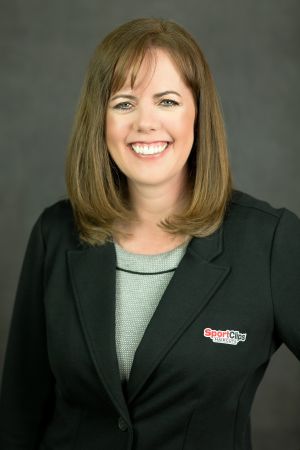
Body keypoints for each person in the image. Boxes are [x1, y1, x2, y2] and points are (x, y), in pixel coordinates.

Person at [0, 17, 299, 450]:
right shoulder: (55, 233)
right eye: (123, 103)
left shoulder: (270, 241)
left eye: (168, 101)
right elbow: (18, 417)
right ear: (99, 121)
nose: (145, 123)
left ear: (198, 112)